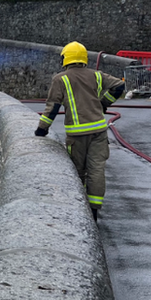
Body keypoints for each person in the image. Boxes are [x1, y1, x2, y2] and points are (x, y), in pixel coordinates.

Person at [35, 42, 125, 221]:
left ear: (65, 58)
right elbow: (119, 86)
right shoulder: (96, 76)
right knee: (96, 170)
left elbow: (52, 107)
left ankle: (79, 209)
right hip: (99, 131)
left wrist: (41, 129)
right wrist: (104, 103)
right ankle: (94, 210)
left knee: (78, 171)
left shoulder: (61, 79)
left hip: (77, 135)